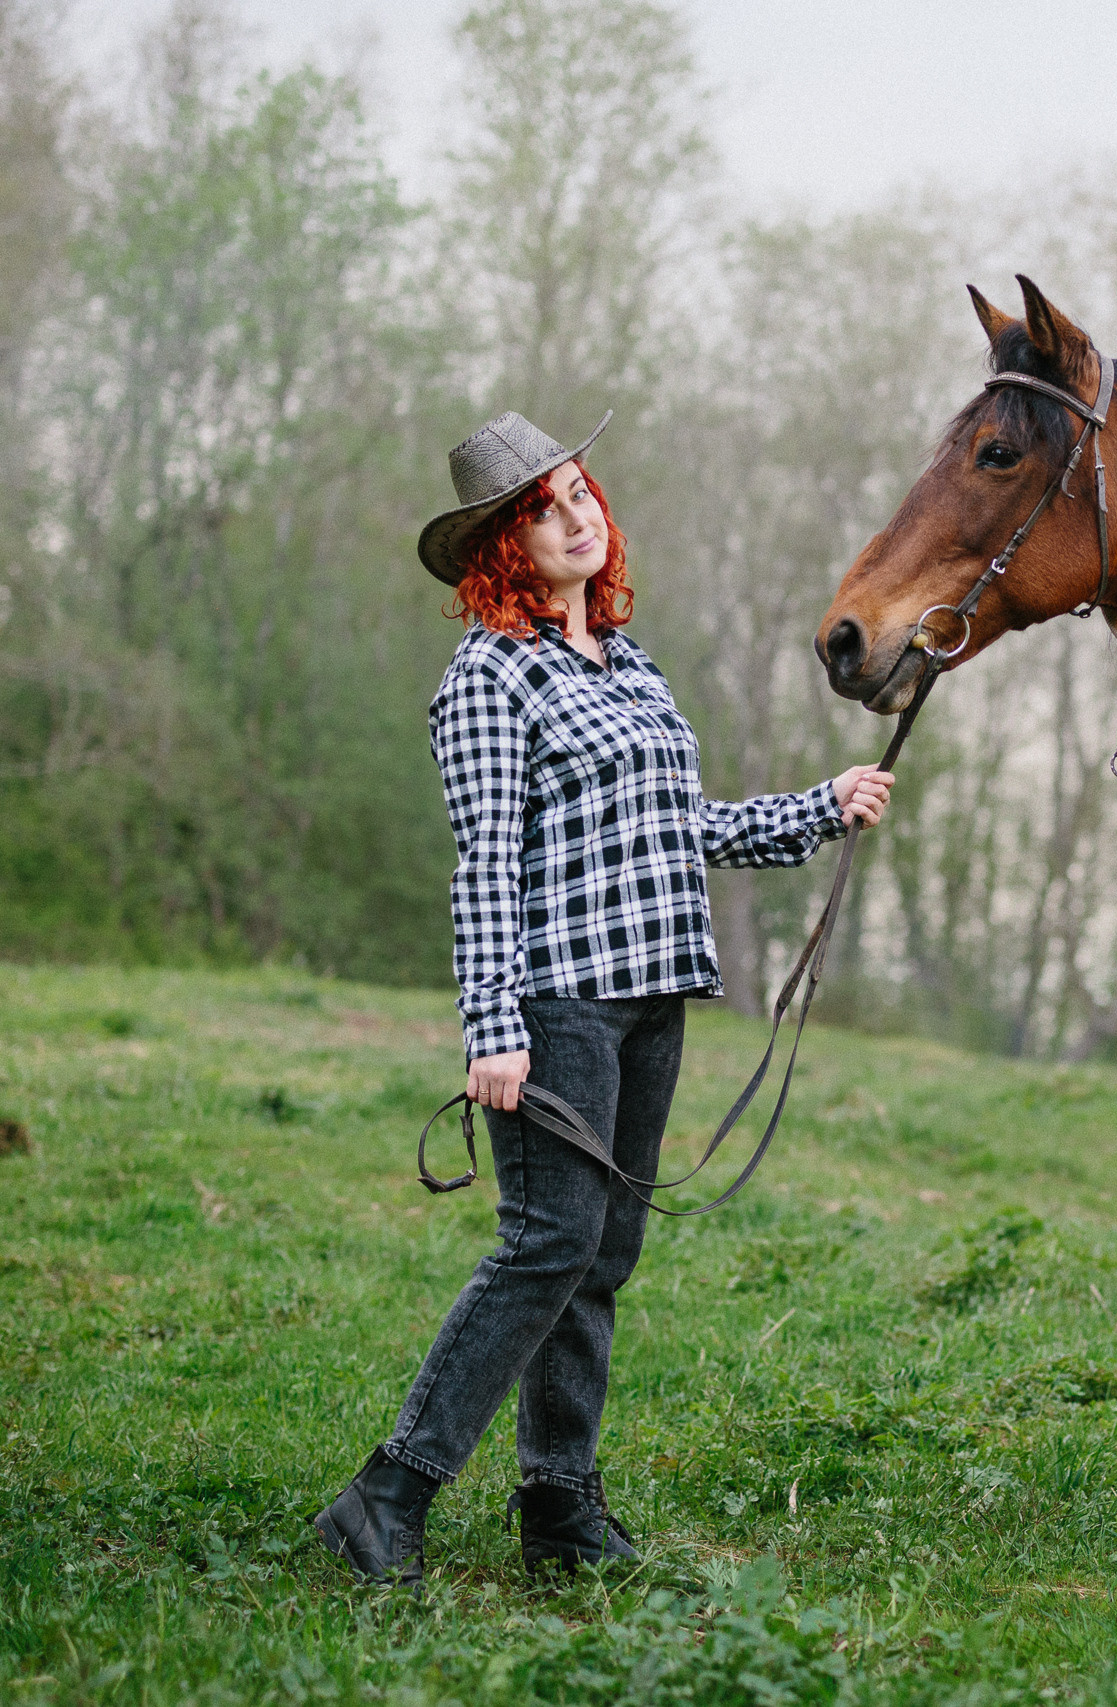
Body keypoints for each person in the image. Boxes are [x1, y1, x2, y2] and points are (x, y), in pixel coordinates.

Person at [313, 411, 892, 1585]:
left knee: (602, 1257)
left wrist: (819, 805)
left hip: (652, 997)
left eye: (581, 492)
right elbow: (482, 860)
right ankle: (388, 1495)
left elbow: (683, 829)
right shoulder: (489, 678)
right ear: (504, 547)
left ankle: (559, 1508)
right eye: (542, 507)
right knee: (548, 1246)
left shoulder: (630, 667)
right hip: (560, 1002)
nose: (575, 514)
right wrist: (494, 1031)